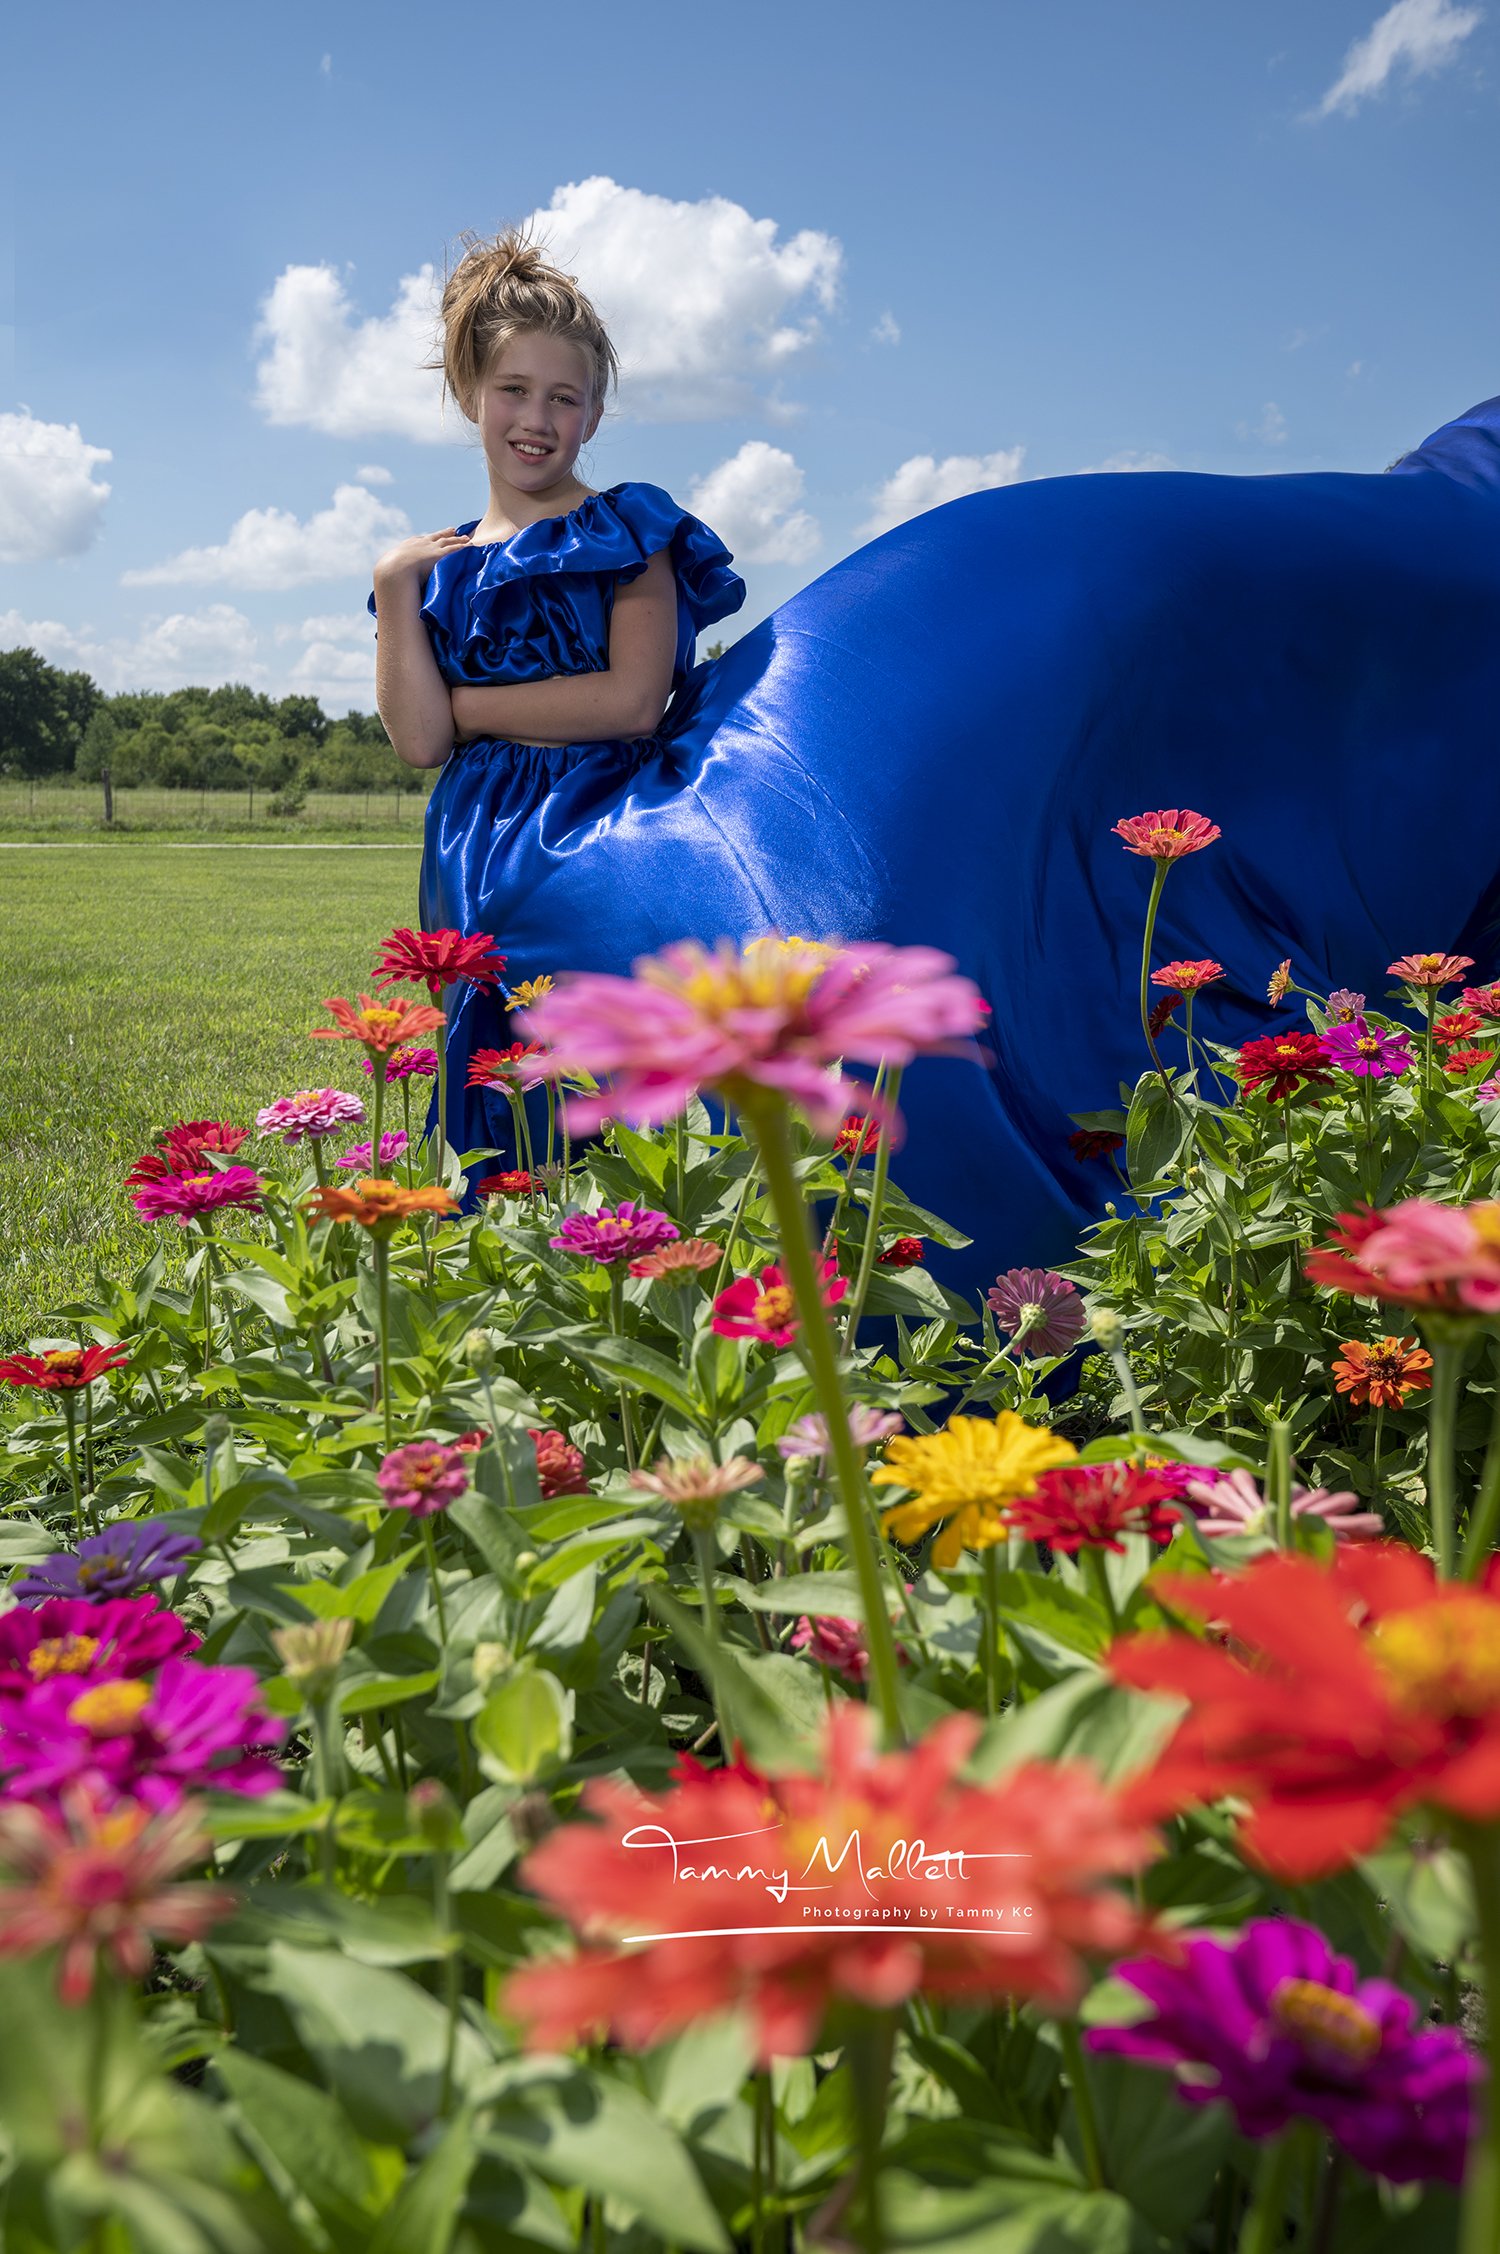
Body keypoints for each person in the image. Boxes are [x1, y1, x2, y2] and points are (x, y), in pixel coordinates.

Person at [372, 225, 1500, 1299]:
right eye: (515, 392)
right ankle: (547, 1302)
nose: (538, 419)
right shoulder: (429, 567)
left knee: (696, 1035)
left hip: (591, 823)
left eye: (564, 397)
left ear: (597, 409)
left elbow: (629, 700)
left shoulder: (626, 533)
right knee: (504, 1082)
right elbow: (416, 739)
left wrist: (468, 706)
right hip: (478, 851)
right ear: (472, 391)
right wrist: (392, 597)